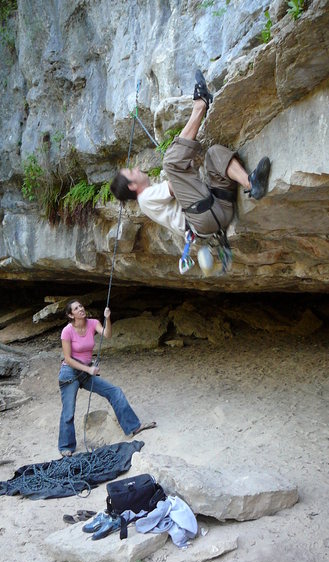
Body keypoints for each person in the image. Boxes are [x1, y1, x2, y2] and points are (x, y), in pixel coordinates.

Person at [110, 70, 271, 273]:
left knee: (213, 154)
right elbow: (175, 185)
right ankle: (200, 105)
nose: (136, 169)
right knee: (170, 162)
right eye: (131, 172)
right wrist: (185, 168)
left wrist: (189, 169)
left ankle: (251, 183)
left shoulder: (151, 197)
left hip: (217, 208)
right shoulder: (145, 199)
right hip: (204, 218)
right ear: (132, 185)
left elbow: (184, 184)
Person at [58, 299, 156, 456]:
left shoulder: (92, 323)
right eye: (76, 308)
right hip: (69, 372)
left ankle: (133, 427)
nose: (81, 309)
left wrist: (107, 318)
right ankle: (66, 447)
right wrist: (89, 369)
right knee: (69, 411)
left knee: (114, 391)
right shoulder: (67, 331)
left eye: (81, 306)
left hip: (87, 372)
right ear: (71, 314)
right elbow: (68, 359)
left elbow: (108, 334)